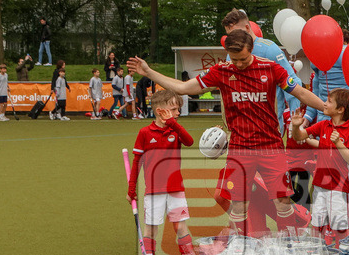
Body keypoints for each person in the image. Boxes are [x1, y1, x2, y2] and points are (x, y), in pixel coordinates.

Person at [127, 29, 327, 238]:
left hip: (271, 147)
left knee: (283, 201)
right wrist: (149, 72)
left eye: (242, 58)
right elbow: (184, 87)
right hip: (240, 149)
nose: (238, 64)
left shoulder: (271, 68)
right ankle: (243, 247)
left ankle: (290, 245)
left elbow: (301, 92)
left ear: (251, 49)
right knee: (239, 204)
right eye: (234, 59)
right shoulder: (221, 71)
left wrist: (326, 108)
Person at [126, 90, 199, 255]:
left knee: (180, 227)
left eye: (178, 109)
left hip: (176, 189)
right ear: (160, 111)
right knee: (150, 230)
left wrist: (173, 123)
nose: (177, 113)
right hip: (153, 191)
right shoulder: (144, 133)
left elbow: (189, 141)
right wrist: (131, 188)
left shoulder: (175, 129)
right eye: (174, 109)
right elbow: (136, 162)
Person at [290, 88, 349, 247]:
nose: (325, 103)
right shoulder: (322, 125)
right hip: (319, 186)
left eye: (329, 101)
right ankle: (318, 254)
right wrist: (296, 126)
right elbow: (299, 136)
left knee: (340, 227)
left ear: (340, 109)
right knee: (317, 224)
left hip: (339, 189)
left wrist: (338, 143)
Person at [221, 8, 300, 130]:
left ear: (247, 28)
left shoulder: (269, 49)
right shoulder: (231, 54)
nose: (233, 38)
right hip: (242, 126)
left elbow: (293, 82)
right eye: (230, 35)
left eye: (236, 33)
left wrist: (293, 120)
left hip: (269, 126)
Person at [303, 27, 349, 137]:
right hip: (324, 119)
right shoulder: (318, 59)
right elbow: (317, 92)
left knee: (347, 150)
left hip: (347, 117)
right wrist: (308, 117)